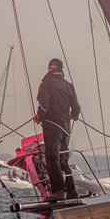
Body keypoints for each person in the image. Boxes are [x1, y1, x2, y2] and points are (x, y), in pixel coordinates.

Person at [34, 58, 81, 201]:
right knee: (63, 160)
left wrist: (39, 117)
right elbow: (77, 107)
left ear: (50, 68)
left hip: (52, 127)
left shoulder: (46, 84)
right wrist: (73, 116)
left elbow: (44, 105)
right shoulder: (69, 85)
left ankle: (58, 191)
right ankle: (72, 191)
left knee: (52, 158)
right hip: (66, 128)